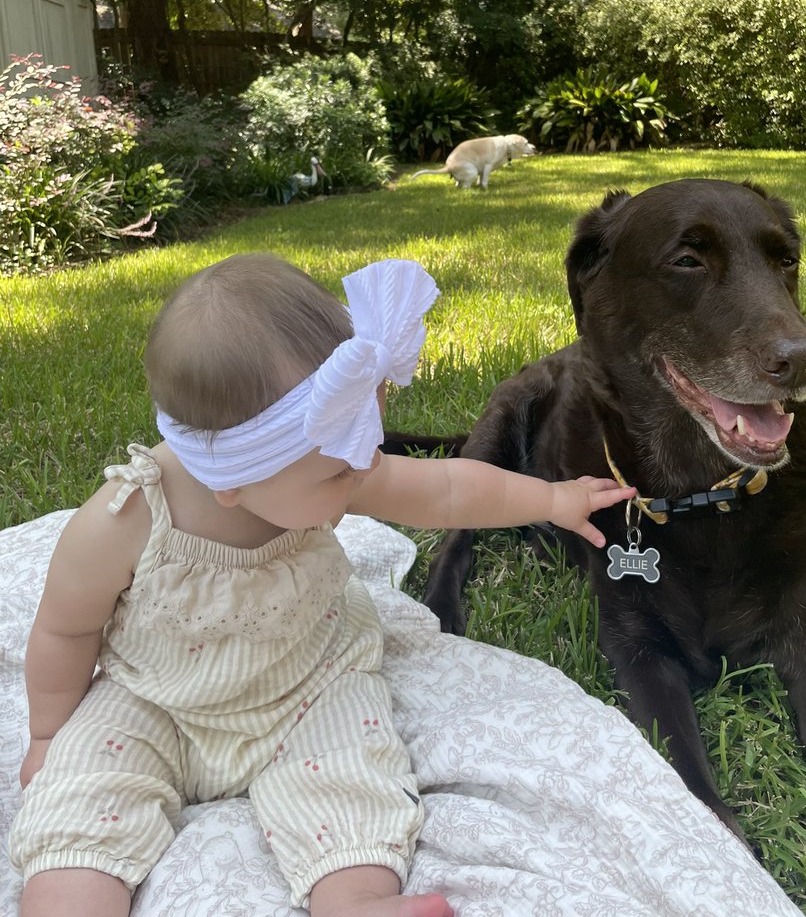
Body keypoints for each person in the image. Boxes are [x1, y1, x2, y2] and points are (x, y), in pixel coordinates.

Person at [9, 255, 635, 917]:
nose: (364, 471)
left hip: (309, 683)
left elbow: (447, 488)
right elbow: (65, 628)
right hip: (154, 699)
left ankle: (356, 901)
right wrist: (49, 734)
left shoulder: (333, 462)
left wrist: (552, 499)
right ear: (233, 479)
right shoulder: (120, 522)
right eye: (341, 472)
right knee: (84, 790)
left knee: (352, 775)